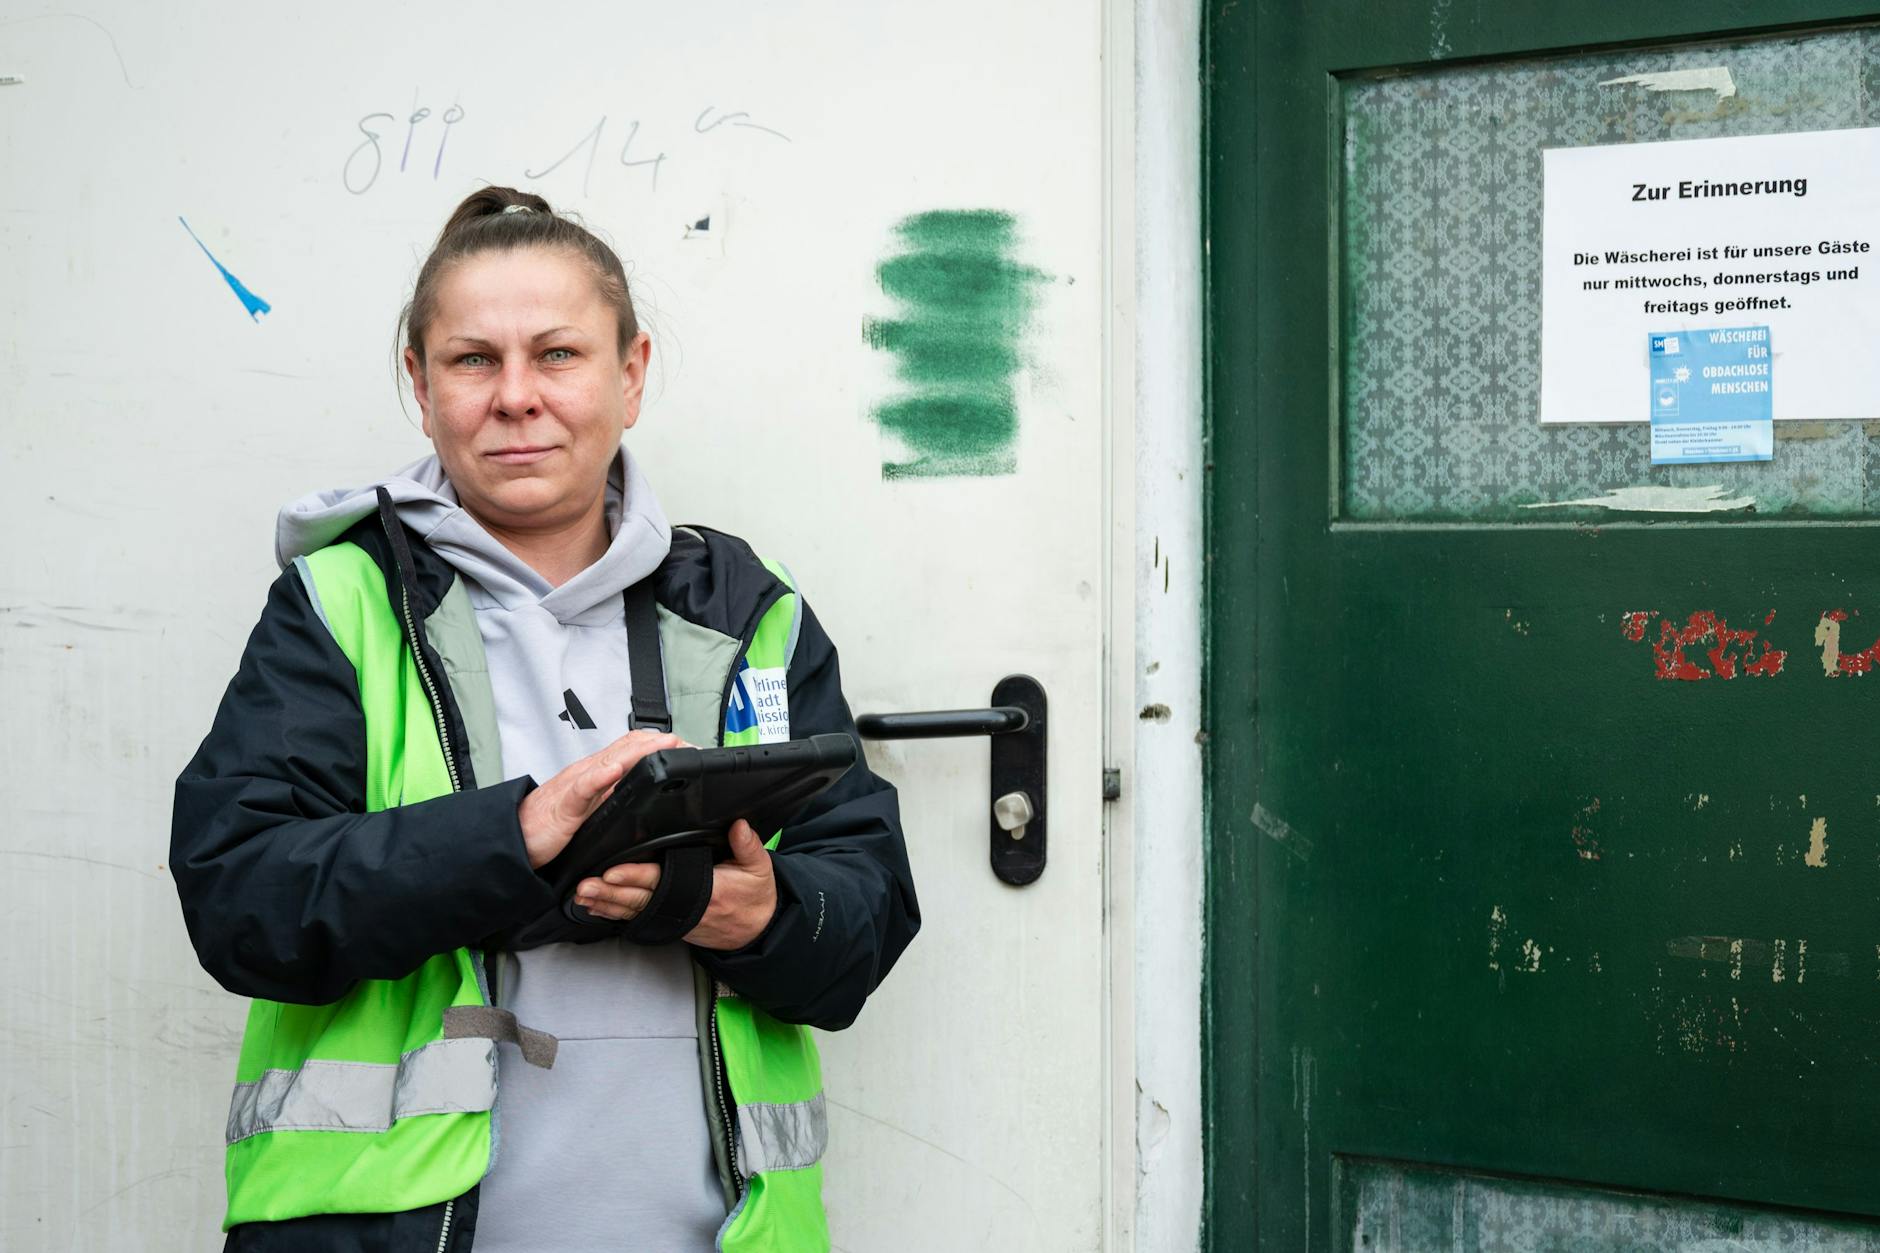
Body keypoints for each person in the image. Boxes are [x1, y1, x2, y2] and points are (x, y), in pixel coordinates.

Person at [170, 186, 920, 1252]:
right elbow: (241, 897)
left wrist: (742, 908)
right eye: (473, 359)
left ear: (631, 375)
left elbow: (864, 911)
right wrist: (511, 837)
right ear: (419, 388)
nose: (516, 395)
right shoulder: (338, 605)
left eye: (558, 354)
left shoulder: (749, 610)